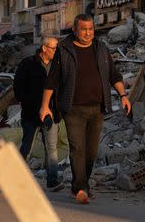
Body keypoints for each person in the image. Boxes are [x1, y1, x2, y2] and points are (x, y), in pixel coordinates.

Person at [39, 14, 131, 204]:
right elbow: (52, 80)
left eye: (90, 29)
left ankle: (82, 184)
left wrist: (123, 96)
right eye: (83, 29)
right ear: (75, 30)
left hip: (97, 108)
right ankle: (80, 188)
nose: (88, 33)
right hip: (73, 109)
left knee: (91, 151)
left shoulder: (101, 48)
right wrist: (44, 107)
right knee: (77, 148)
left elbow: (114, 75)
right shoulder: (64, 50)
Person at [13, 34, 63, 191]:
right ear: (44, 48)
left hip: (51, 114)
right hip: (31, 114)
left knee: (52, 148)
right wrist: (33, 105)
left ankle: (52, 181)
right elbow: (18, 88)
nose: (57, 51)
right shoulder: (28, 64)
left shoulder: (57, 65)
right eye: (54, 48)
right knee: (27, 146)